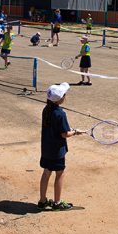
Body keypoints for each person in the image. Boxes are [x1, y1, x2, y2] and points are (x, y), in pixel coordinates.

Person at [38, 82, 82, 211]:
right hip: (57, 150)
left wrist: (72, 131)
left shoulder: (46, 110)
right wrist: (75, 132)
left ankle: (42, 200)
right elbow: (64, 134)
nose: (65, 96)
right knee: (60, 174)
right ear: (61, 98)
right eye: (64, 94)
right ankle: (57, 203)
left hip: (46, 148)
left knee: (46, 172)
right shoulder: (60, 113)